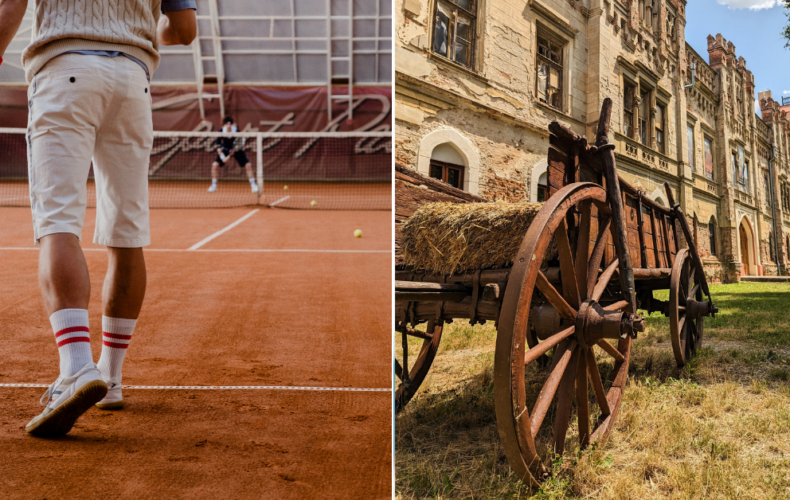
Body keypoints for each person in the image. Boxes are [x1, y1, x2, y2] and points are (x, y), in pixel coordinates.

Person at [0, 0, 196, 437]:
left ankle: (75, 369)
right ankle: (109, 377)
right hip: (133, 82)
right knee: (127, 234)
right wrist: (141, 27)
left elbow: (12, 5)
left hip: (64, 70)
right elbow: (183, 30)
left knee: (58, 223)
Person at [208, 116, 259, 193]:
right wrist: (222, 157)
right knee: (215, 165)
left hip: (236, 150)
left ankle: (253, 185)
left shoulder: (236, 131)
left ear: (231, 124)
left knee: (248, 165)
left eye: (230, 124)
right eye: (227, 124)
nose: (228, 125)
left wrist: (235, 149)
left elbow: (241, 141)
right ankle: (214, 186)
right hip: (224, 150)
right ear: (224, 124)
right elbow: (218, 146)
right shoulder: (221, 131)